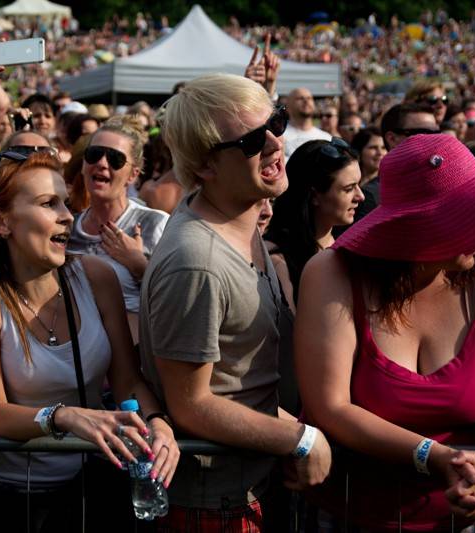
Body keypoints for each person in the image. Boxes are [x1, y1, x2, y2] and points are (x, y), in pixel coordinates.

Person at [141, 73, 331, 531]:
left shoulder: (238, 216)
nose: (276, 144)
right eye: (251, 141)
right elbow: (191, 404)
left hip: (253, 485)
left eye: (277, 123)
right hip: (218, 506)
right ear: (207, 166)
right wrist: (300, 438)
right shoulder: (197, 261)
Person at [296, 134, 475, 530]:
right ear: (419, 225)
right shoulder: (333, 273)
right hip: (348, 518)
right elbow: (330, 406)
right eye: (466, 215)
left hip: (464, 520)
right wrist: (434, 456)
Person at [0, 150, 179, 532]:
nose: (68, 216)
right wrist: (63, 416)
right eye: (48, 204)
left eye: (65, 202)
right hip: (23, 498)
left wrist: (159, 423)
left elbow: (127, 382)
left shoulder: (95, 276)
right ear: (1, 221)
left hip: (96, 491)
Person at [67, 116, 168, 344]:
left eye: (115, 158)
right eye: (94, 154)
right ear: (83, 164)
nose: (102, 163)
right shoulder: (67, 229)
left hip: (135, 352)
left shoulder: (155, 225)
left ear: (133, 174)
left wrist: (139, 265)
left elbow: (177, 301)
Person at [264, 138, 364, 313]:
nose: (360, 196)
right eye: (349, 189)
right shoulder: (277, 259)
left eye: (359, 185)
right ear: (315, 195)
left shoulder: (347, 245)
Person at [282, 87, 331, 160]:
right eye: (300, 98)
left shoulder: (326, 138)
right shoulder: (280, 136)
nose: (306, 101)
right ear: (288, 106)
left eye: (309, 98)